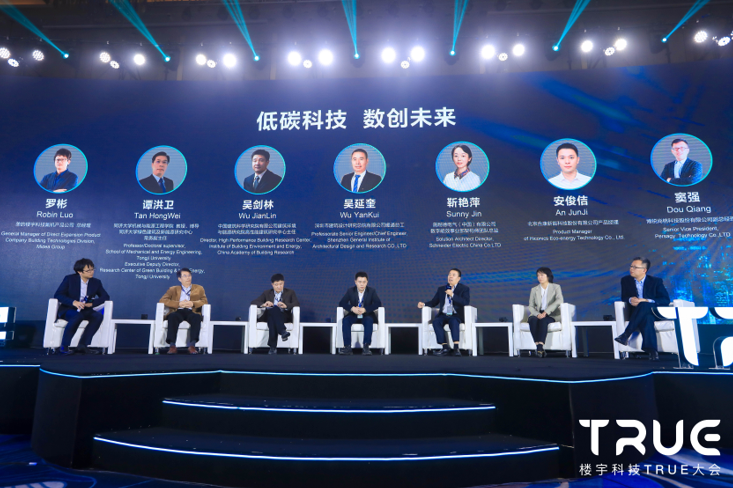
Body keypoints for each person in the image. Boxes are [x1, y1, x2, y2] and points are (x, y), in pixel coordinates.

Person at [614, 257, 671, 361]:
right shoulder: (626, 280)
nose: (631, 269)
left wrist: (646, 300)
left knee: (644, 304)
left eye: (635, 267)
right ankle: (652, 351)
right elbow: (624, 297)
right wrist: (630, 299)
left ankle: (626, 334)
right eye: (631, 266)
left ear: (644, 270)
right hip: (638, 313)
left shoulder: (656, 281)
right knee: (647, 319)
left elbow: (665, 300)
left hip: (655, 312)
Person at [53, 258, 110, 355]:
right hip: (69, 309)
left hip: (85, 309)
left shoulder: (96, 282)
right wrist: (73, 302)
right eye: (88, 271)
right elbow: (58, 295)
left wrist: (92, 304)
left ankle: (83, 345)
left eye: (92, 269)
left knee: (98, 316)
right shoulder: (70, 279)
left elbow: (105, 296)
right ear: (79, 272)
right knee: (77, 316)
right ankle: (64, 346)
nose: (91, 272)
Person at [417, 268, 470, 356]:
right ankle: (445, 347)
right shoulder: (441, 289)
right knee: (436, 322)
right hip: (443, 314)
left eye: (453, 275)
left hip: (456, 314)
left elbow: (465, 302)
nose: (450, 276)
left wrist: (452, 294)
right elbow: (434, 302)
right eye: (449, 274)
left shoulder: (464, 289)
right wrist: (424, 304)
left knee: (453, 321)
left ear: (458, 278)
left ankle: (456, 348)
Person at [159, 268, 208, 354]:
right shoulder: (173, 289)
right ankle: (172, 346)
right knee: (173, 316)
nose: (188, 278)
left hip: (192, 311)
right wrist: (178, 304)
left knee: (196, 317)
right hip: (178, 310)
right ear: (179, 279)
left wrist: (193, 303)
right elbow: (162, 300)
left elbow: (204, 301)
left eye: (189, 275)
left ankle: (192, 346)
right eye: (185, 276)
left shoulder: (199, 288)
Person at [251, 273, 300, 355]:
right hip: (268, 314)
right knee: (274, 309)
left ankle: (272, 347)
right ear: (272, 284)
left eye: (281, 284)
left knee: (272, 318)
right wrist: (264, 304)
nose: (279, 286)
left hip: (283, 316)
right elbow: (254, 301)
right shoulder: (267, 293)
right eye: (276, 284)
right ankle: (282, 331)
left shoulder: (290, 292)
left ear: (284, 283)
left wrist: (286, 305)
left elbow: (296, 303)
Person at [338, 271, 382, 355]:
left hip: (366, 315)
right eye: (359, 282)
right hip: (354, 314)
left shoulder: (371, 291)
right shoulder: (350, 291)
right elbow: (342, 303)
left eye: (364, 282)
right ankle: (347, 347)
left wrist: (365, 309)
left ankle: (366, 347)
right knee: (346, 321)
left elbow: (378, 303)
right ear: (355, 282)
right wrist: (352, 308)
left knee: (369, 321)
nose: (362, 284)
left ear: (367, 282)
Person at [526, 267, 563, 358]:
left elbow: (559, 300)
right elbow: (531, 306)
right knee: (532, 320)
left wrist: (546, 312)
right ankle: (539, 348)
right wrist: (537, 314)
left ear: (548, 276)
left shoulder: (556, 287)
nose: (540, 277)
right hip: (538, 313)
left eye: (542, 275)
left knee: (543, 321)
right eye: (538, 275)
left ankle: (539, 348)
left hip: (551, 313)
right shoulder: (534, 289)